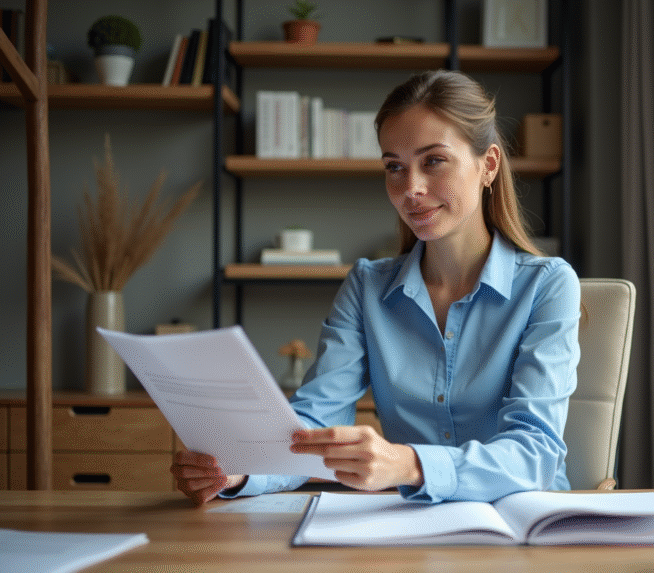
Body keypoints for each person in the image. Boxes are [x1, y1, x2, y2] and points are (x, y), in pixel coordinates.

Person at [171, 69, 581, 505]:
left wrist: (409, 465)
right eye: (394, 167)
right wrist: (240, 469)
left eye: (434, 161)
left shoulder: (547, 285)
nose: (411, 189)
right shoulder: (367, 286)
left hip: (527, 523)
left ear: (489, 165)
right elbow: (314, 421)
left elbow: (535, 452)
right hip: (417, 526)